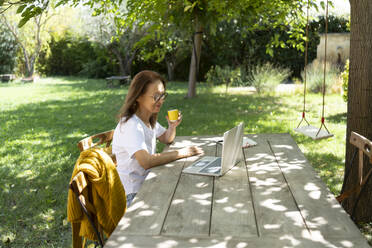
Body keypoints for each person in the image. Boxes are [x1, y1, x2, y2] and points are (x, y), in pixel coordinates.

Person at [112, 70, 203, 207]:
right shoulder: (132, 125)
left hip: (149, 181)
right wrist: (182, 153)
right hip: (132, 194)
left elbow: (167, 139)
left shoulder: (147, 118)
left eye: (162, 95)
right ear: (138, 96)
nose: (161, 100)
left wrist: (172, 127)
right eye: (155, 96)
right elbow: (146, 161)